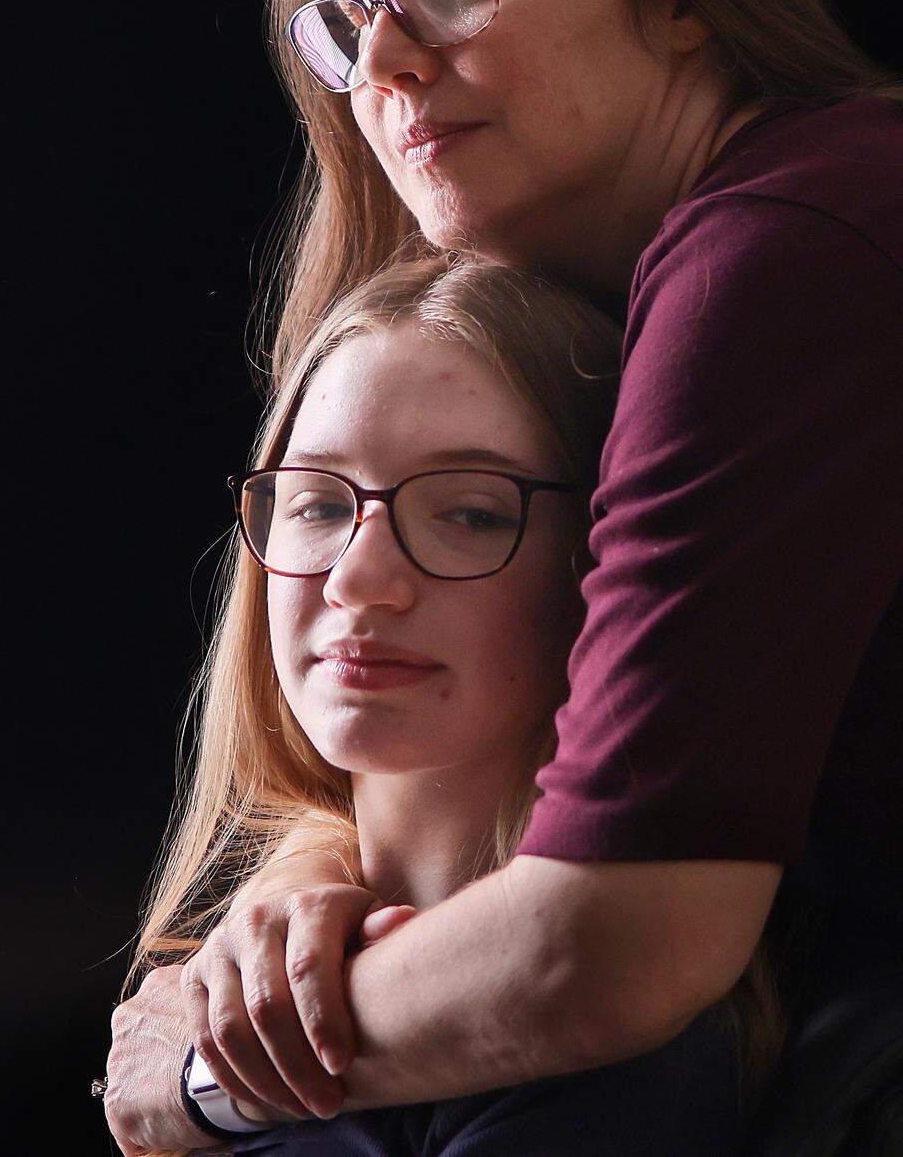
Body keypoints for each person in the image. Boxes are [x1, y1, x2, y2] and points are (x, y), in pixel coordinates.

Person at [109, 0, 903, 1155]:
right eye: (348, 20)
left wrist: (213, 1071)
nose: (383, 58)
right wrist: (321, 872)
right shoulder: (668, 288)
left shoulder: (789, 260)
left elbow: (613, 945)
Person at [106, 253, 781, 1155]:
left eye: (470, 513)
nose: (358, 579)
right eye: (317, 505)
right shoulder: (234, 962)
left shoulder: (617, 1051)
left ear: (606, 562)